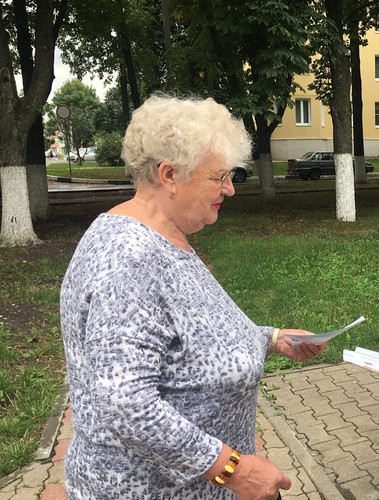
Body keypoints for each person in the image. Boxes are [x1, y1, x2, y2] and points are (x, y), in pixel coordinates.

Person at [59, 95, 324, 500]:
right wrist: (233, 472)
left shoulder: (166, 237)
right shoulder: (128, 259)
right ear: (169, 175)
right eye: (219, 176)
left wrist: (270, 338)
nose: (230, 189)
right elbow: (126, 405)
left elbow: (195, 328)